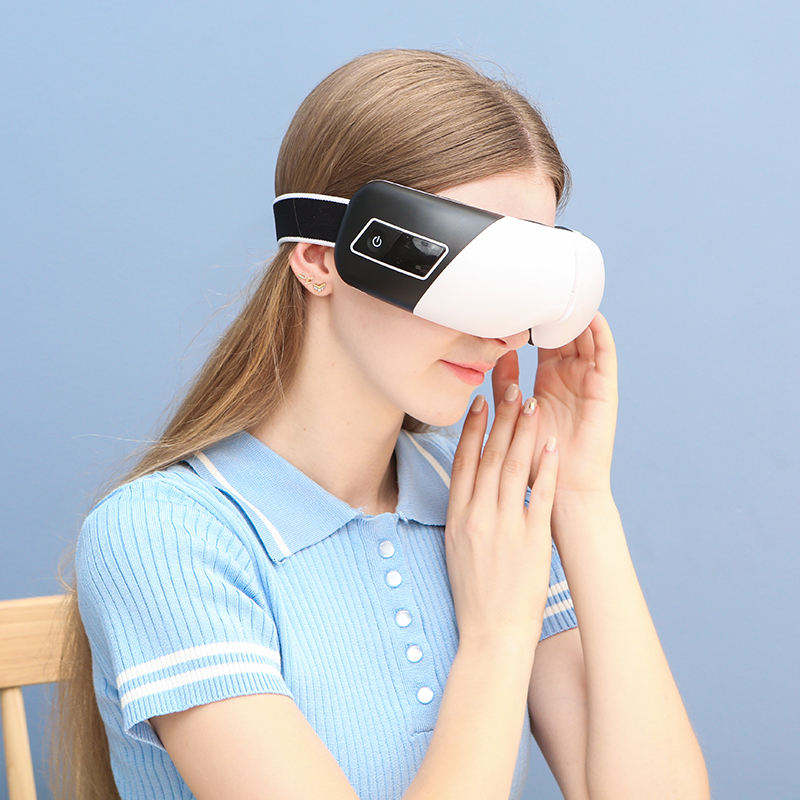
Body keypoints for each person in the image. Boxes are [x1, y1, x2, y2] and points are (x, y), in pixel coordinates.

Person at [50, 48, 710, 800]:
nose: (504, 334)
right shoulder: (166, 539)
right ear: (318, 259)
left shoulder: (484, 500)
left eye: (525, 288)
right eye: (471, 279)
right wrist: (495, 637)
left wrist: (581, 497)